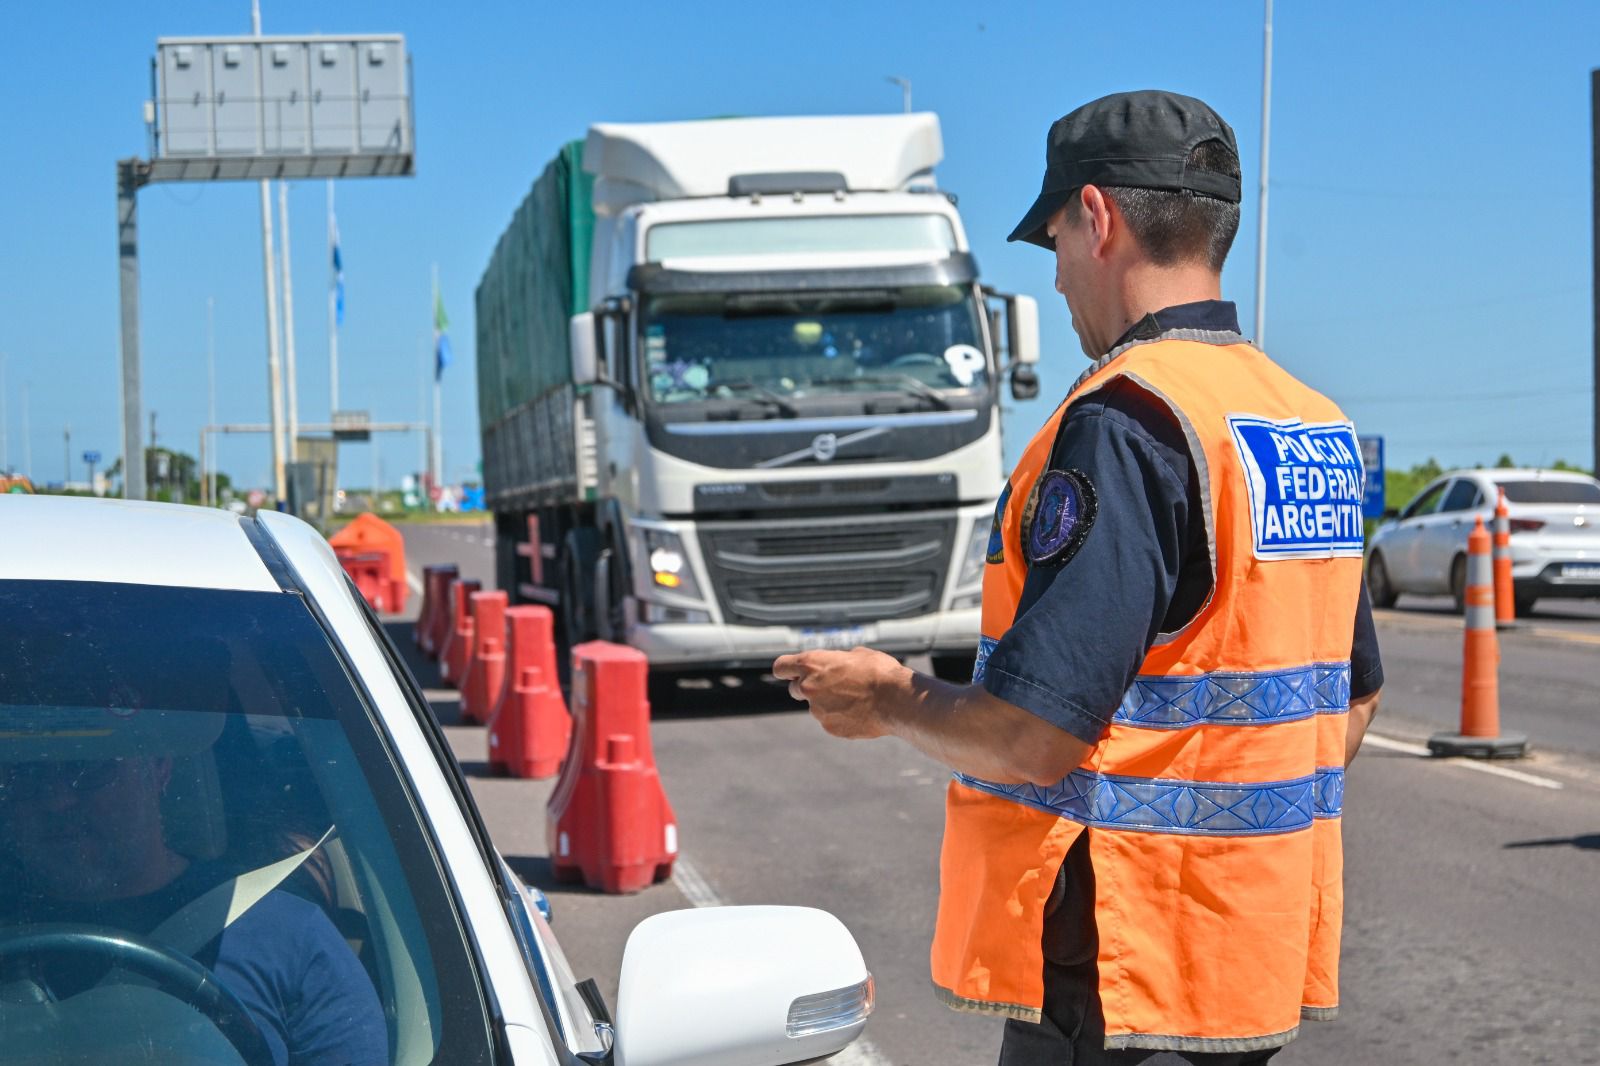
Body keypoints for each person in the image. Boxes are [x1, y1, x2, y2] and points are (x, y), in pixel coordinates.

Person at [774, 90, 1384, 1064]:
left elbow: (1035, 732)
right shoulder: (1307, 423)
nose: (1056, 280)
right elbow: (1346, 704)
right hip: (1243, 958)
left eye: (1054, 239)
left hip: (1121, 969)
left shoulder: (1127, 419)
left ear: (1095, 218)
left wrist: (888, 696)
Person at [0, 750, 388, 1066]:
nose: (56, 799)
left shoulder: (288, 936)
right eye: (27, 771)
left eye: (86, 767)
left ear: (159, 769)